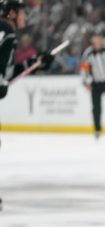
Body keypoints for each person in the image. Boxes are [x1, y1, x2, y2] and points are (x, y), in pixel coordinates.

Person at [0, 0, 53, 211]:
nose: (25, 17)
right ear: (11, 13)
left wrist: (36, 62)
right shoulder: (3, 29)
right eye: (22, 13)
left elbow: (9, 71)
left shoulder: (10, 36)